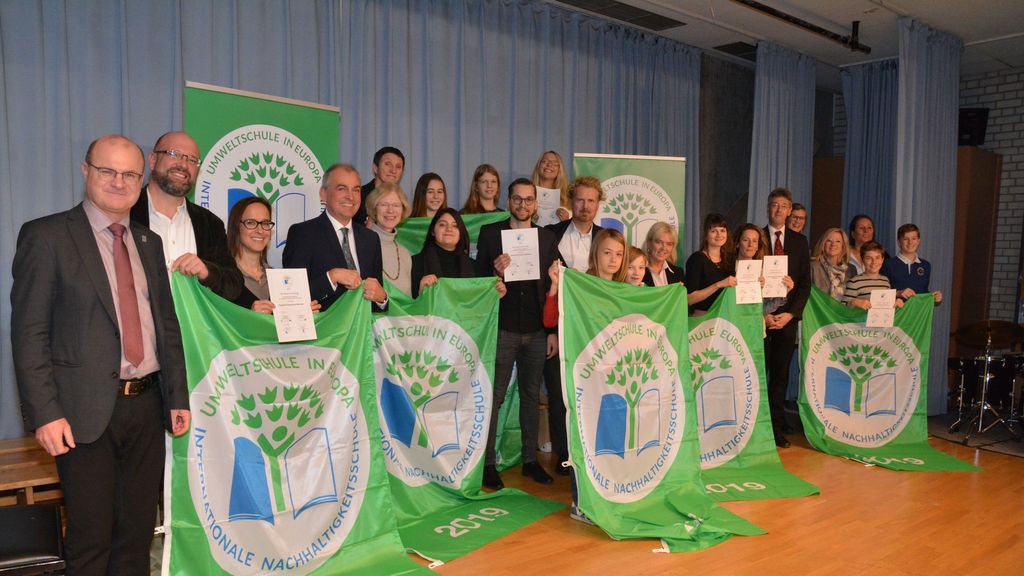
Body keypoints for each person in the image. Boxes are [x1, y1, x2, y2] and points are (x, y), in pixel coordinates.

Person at [12, 135, 190, 575]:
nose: (119, 181)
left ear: (141, 179)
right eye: (108, 170)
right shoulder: (47, 236)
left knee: (135, 537)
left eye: (129, 174)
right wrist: (44, 414)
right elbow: (29, 333)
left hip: (148, 409)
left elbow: (166, 327)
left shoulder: (148, 243)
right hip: (80, 415)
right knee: (91, 540)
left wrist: (178, 397)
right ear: (85, 170)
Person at [475, 178, 559, 489]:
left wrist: (551, 330)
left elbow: (554, 285)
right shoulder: (490, 234)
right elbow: (476, 278)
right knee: (493, 398)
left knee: (530, 396)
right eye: (517, 199)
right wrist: (493, 272)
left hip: (537, 330)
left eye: (528, 200)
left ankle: (529, 460)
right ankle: (486, 464)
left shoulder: (547, 238)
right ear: (508, 200)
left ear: (536, 204)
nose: (523, 205)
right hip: (502, 328)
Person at [130, 131, 243, 300]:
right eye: (174, 154)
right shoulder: (126, 213)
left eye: (192, 160)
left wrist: (207, 271)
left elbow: (234, 287)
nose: (183, 165)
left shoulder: (210, 224)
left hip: (194, 326)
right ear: (153, 160)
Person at [542, 175, 604, 473]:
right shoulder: (549, 234)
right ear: (570, 201)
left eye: (591, 200)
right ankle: (564, 455)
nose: (585, 206)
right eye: (579, 199)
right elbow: (546, 285)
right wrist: (550, 332)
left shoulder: (608, 239)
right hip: (560, 328)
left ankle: (592, 451)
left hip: (595, 331)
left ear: (598, 203)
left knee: (593, 392)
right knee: (559, 394)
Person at [282, 164, 388, 311]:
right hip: (324, 331)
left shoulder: (370, 239)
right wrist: (331, 277)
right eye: (341, 188)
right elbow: (290, 295)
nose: (350, 196)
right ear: (323, 194)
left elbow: (377, 302)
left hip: (361, 331)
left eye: (356, 190)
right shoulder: (303, 234)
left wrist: (382, 298)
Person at [762, 188, 811, 448]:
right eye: (773, 205)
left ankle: (775, 428)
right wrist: (764, 315)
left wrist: (790, 314)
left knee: (780, 377)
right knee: (759, 375)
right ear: (767, 208)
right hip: (760, 320)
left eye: (783, 206)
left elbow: (805, 285)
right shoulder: (754, 237)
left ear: (790, 210)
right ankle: (756, 429)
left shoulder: (799, 242)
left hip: (787, 320)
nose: (778, 210)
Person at [227, 197, 321, 313]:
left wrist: (303, 314)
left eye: (265, 223)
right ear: (236, 227)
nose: (260, 230)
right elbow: (215, 324)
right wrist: (249, 317)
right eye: (250, 223)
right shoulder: (223, 279)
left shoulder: (279, 281)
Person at [366, 183, 413, 297]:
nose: (390, 210)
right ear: (374, 208)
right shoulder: (362, 245)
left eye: (396, 205)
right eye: (384, 204)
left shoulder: (404, 253)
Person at [685, 213, 737, 315]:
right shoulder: (696, 259)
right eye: (714, 231)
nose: (719, 235)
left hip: (727, 319)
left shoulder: (731, 259)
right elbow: (689, 299)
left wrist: (756, 283)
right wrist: (718, 285)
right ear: (705, 235)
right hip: (703, 321)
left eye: (722, 230)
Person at [881, 223, 944, 306]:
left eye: (914, 238)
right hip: (897, 315)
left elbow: (923, 292)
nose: (910, 242)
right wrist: (898, 293)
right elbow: (880, 294)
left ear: (918, 241)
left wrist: (935, 299)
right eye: (906, 239)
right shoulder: (888, 264)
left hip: (918, 316)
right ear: (899, 242)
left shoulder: (926, 265)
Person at [844, 241, 905, 310]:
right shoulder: (854, 282)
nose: (874, 262)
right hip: (860, 320)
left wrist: (896, 303)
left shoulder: (885, 281)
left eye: (877, 257)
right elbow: (842, 307)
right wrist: (854, 302)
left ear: (882, 260)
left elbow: (887, 304)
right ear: (862, 260)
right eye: (868, 258)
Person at [355, 146, 405, 226]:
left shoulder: (402, 200)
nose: (393, 170)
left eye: (398, 167)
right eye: (388, 164)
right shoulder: (358, 195)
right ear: (375, 168)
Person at [811, 227, 855, 302]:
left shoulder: (851, 269)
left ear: (843, 246)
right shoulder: (813, 267)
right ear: (823, 244)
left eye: (838, 241)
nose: (833, 244)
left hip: (843, 312)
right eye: (829, 241)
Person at [530, 150, 571, 223]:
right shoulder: (526, 193)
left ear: (560, 169)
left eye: (555, 163)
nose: (549, 165)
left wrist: (567, 222)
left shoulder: (568, 198)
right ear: (538, 166)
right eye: (545, 162)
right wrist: (528, 219)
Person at [642, 221, 684, 286]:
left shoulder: (678, 273)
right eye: (659, 242)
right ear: (649, 243)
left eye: (669, 244)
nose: (664, 248)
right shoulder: (637, 272)